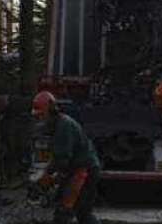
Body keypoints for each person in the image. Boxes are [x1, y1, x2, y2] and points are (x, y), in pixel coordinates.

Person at [31, 91, 101, 224]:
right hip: (76, 169)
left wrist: (48, 176)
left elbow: (62, 159)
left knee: (73, 212)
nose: (40, 119)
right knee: (76, 211)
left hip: (84, 170)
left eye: (42, 115)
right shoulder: (55, 125)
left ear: (51, 110)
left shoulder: (64, 126)